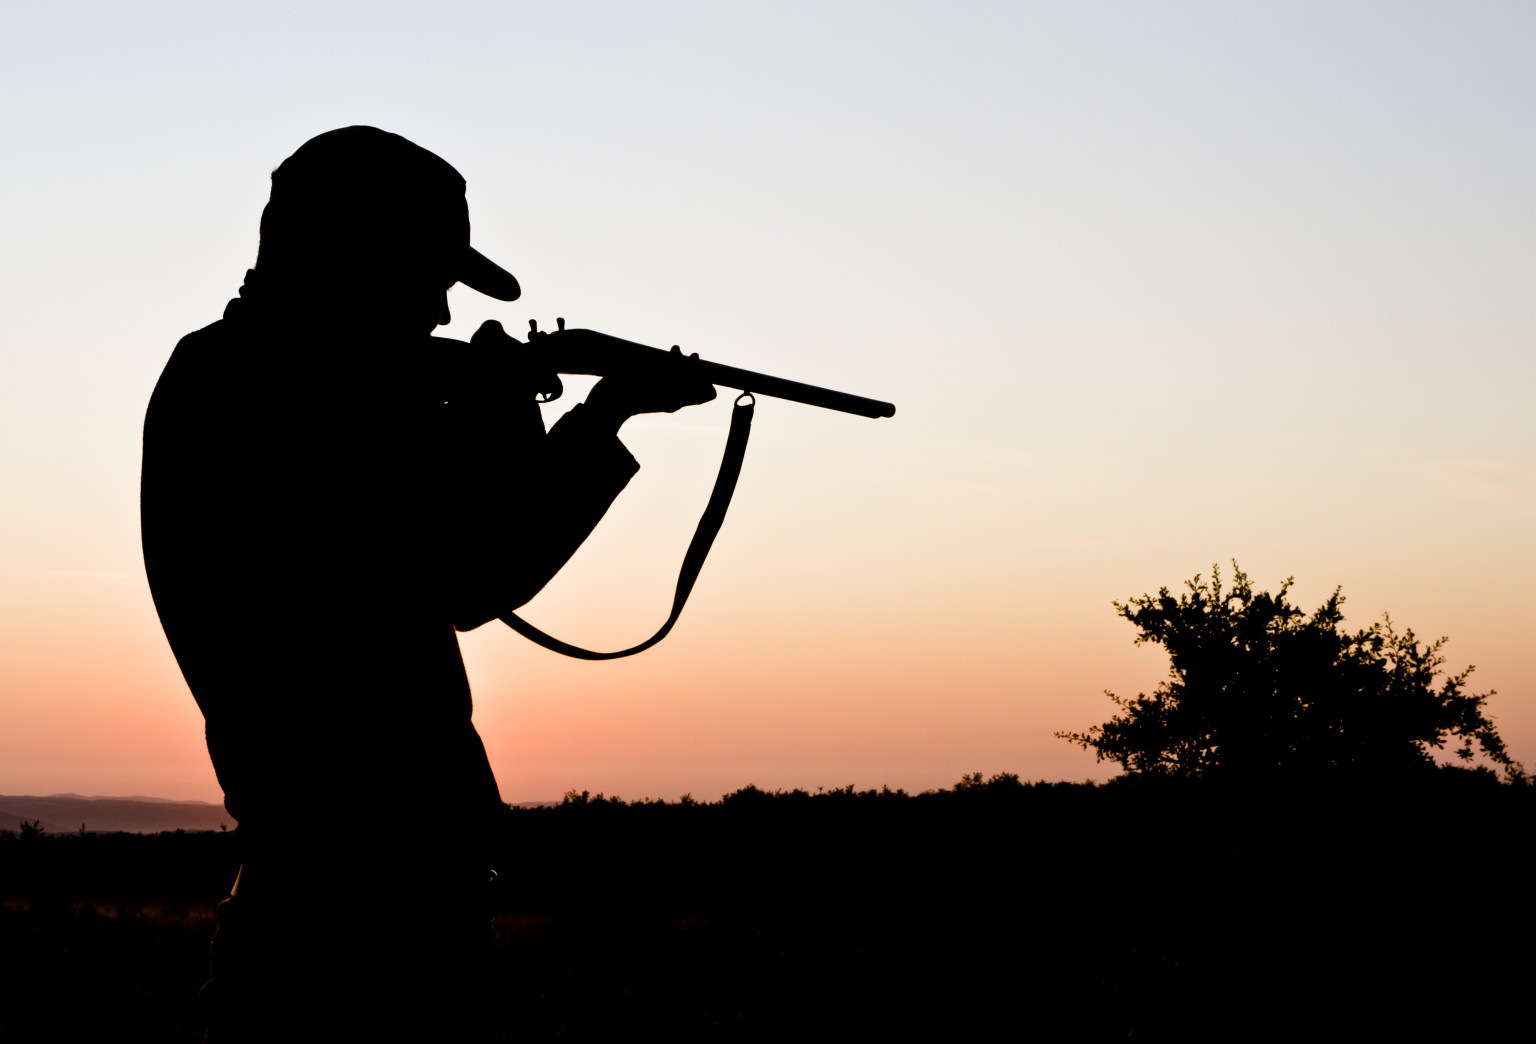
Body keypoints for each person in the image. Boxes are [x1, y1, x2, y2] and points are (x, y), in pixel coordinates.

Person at [141, 126, 713, 1040]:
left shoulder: (251, 377)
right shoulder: (260, 387)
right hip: (351, 923)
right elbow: (471, 571)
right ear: (357, 254)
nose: (443, 311)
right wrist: (540, 418)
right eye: (429, 276)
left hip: (353, 907)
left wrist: (563, 412)